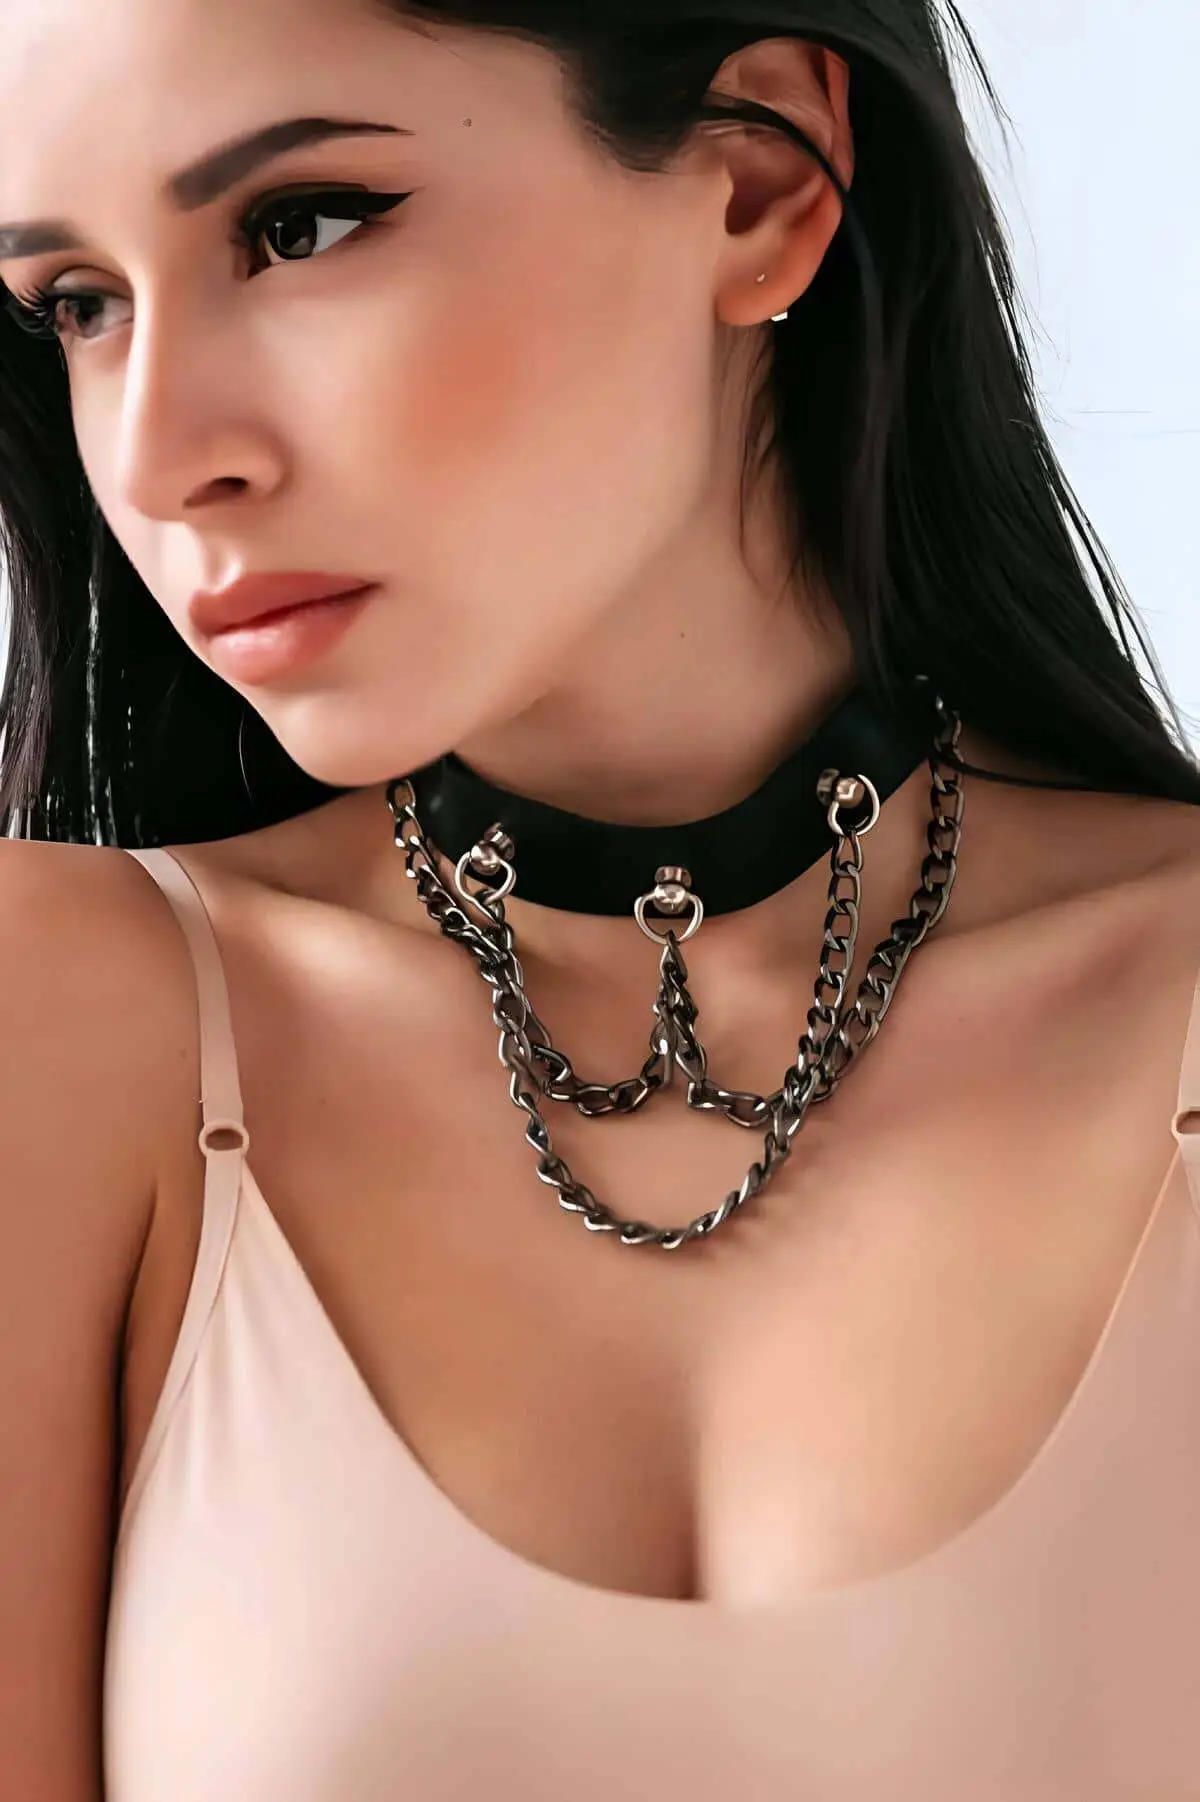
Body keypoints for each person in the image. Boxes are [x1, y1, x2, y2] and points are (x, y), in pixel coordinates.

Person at [0, 1, 1198, 1796]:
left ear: (758, 177)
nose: (163, 454)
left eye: (300, 226)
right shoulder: (68, 1033)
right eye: (80, 304)